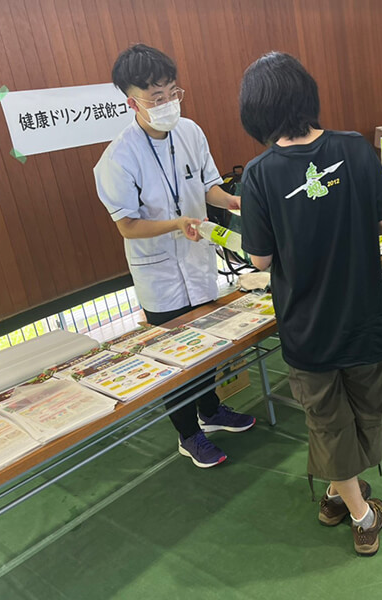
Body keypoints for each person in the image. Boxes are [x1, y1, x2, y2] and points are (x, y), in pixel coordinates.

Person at [238, 52, 382, 556]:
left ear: (256, 112)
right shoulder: (355, 149)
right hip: (364, 317)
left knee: (328, 422)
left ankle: (340, 498)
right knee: (366, 412)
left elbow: (260, 260)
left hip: (307, 327)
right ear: (308, 95)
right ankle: (361, 514)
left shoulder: (258, 175)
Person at [93, 44, 256, 468]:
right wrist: (175, 225)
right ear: (132, 102)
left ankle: (211, 410)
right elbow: (127, 225)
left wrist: (232, 201)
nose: (167, 104)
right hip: (160, 273)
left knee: (207, 344)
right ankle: (188, 434)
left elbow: (208, 186)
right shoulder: (117, 158)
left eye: (172, 93)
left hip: (197, 259)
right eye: (156, 98)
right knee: (176, 357)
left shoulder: (190, 132)